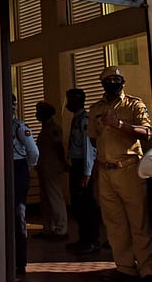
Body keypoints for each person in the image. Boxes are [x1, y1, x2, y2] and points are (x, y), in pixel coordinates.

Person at [88, 66, 152, 282]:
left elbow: (147, 132)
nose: (113, 82)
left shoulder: (134, 104)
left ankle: (146, 269)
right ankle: (125, 267)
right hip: (105, 170)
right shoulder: (95, 108)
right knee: (114, 223)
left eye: (117, 79)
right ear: (102, 83)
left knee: (138, 221)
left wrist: (120, 125)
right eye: (109, 79)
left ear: (123, 82)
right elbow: (93, 137)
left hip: (128, 168)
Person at [64, 88, 100, 256]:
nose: (68, 103)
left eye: (70, 100)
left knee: (86, 205)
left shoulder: (84, 120)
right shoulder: (76, 119)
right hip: (76, 164)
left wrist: (87, 171)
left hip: (83, 166)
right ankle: (83, 239)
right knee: (77, 205)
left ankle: (91, 240)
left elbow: (88, 147)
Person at [12, 94, 39, 278]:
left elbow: (33, 152)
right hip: (6, 169)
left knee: (18, 216)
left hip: (18, 167)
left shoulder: (19, 127)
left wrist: (28, 167)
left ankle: (20, 263)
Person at [34, 101, 69, 240]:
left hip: (52, 167)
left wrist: (63, 163)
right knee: (45, 199)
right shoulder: (45, 129)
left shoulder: (53, 128)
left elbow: (58, 147)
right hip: (44, 167)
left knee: (54, 198)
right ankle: (49, 228)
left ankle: (61, 228)